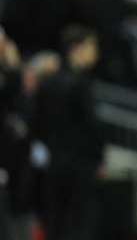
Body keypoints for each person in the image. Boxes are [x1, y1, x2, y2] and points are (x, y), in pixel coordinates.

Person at [35, 25, 104, 240]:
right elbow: (92, 127)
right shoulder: (81, 85)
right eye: (91, 46)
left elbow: (39, 124)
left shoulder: (47, 83)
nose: (95, 52)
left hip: (54, 162)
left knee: (55, 223)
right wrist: (98, 159)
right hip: (79, 166)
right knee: (78, 224)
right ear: (74, 48)